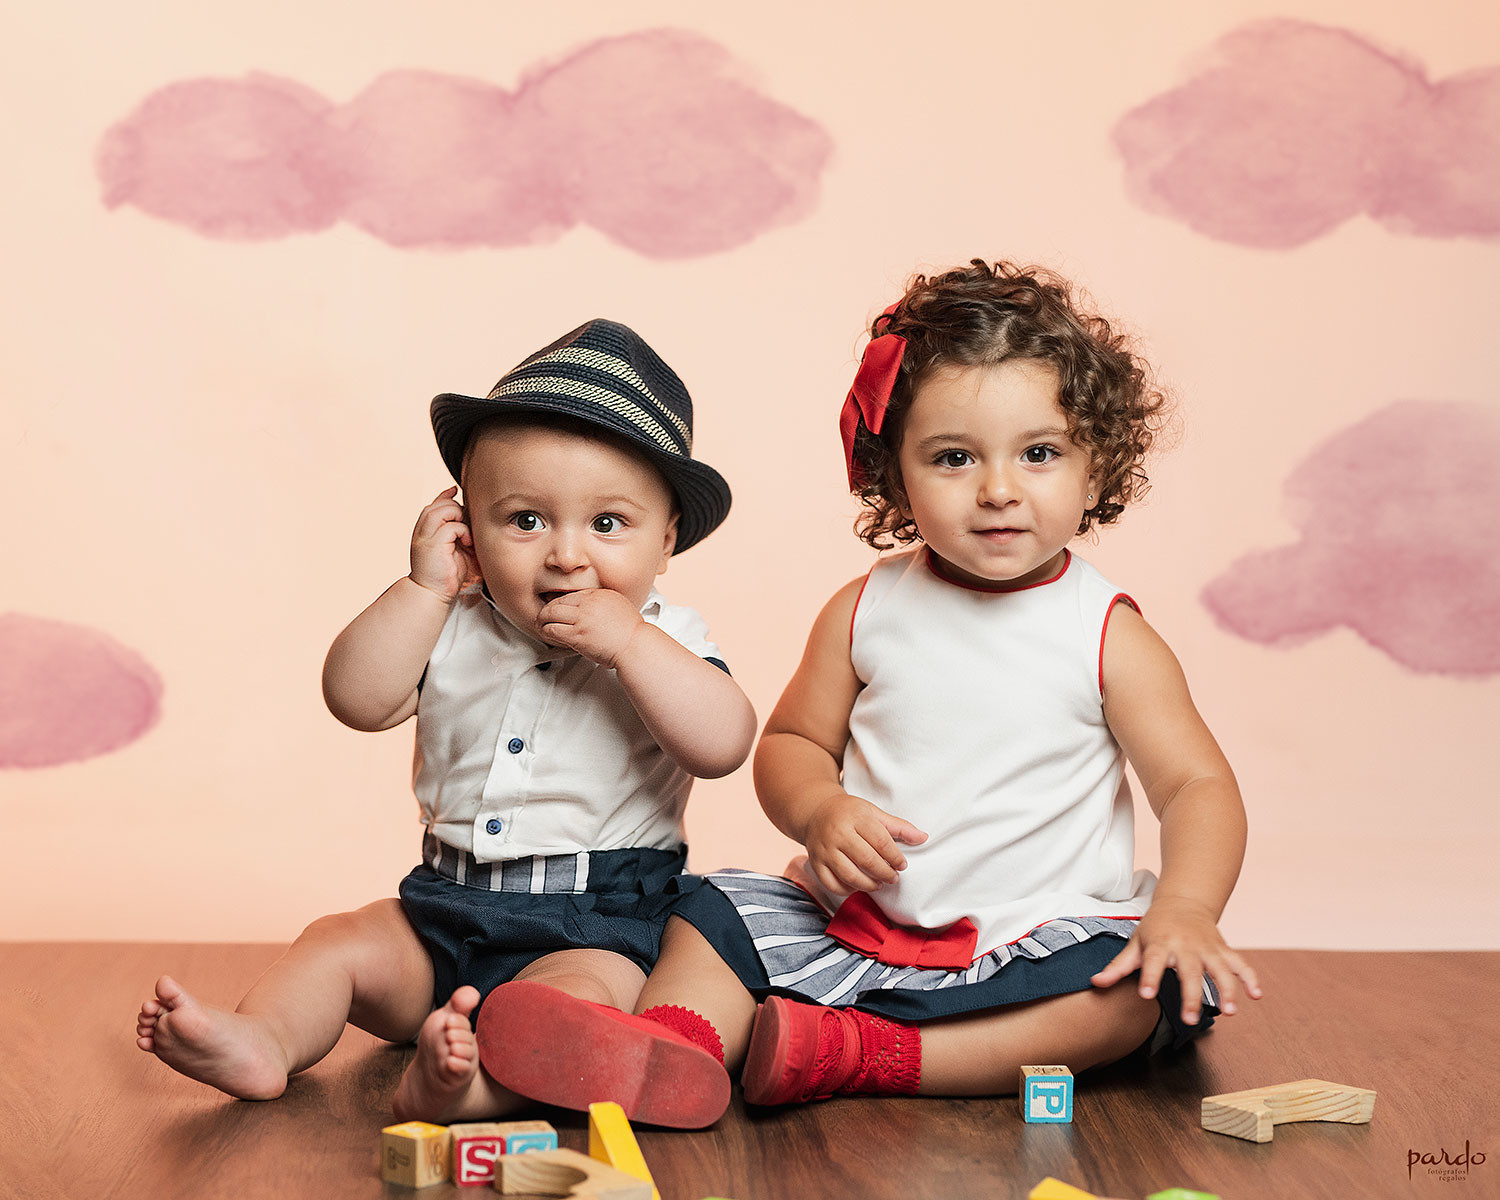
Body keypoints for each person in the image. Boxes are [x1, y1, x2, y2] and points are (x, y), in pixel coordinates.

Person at [474, 260, 1262, 1125]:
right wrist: (818, 811)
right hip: (860, 924)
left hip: (1036, 939)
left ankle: (868, 1054)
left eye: (1039, 454)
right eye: (954, 457)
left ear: (1097, 464)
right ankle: (674, 1046)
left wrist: (1184, 911)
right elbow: (789, 745)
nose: (999, 489)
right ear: (894, 475)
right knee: (710, 915)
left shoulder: (1106, 633)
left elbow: (1195, 786)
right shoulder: (867, 611)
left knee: (1137, 993)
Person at [135, 318, 756, 1125]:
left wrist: (631, 644)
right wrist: (421, 590)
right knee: (338, 942)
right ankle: (263, 1039)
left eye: (607, 524)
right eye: (525, 520)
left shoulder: (667, 639)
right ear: (469, 525)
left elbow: (724, 743)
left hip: (590, 926)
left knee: (574, 1010)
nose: (566, 555)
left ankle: (471, 1084)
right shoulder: (452, 619)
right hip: (439, 912)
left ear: (666, 540)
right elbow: (355, 700)